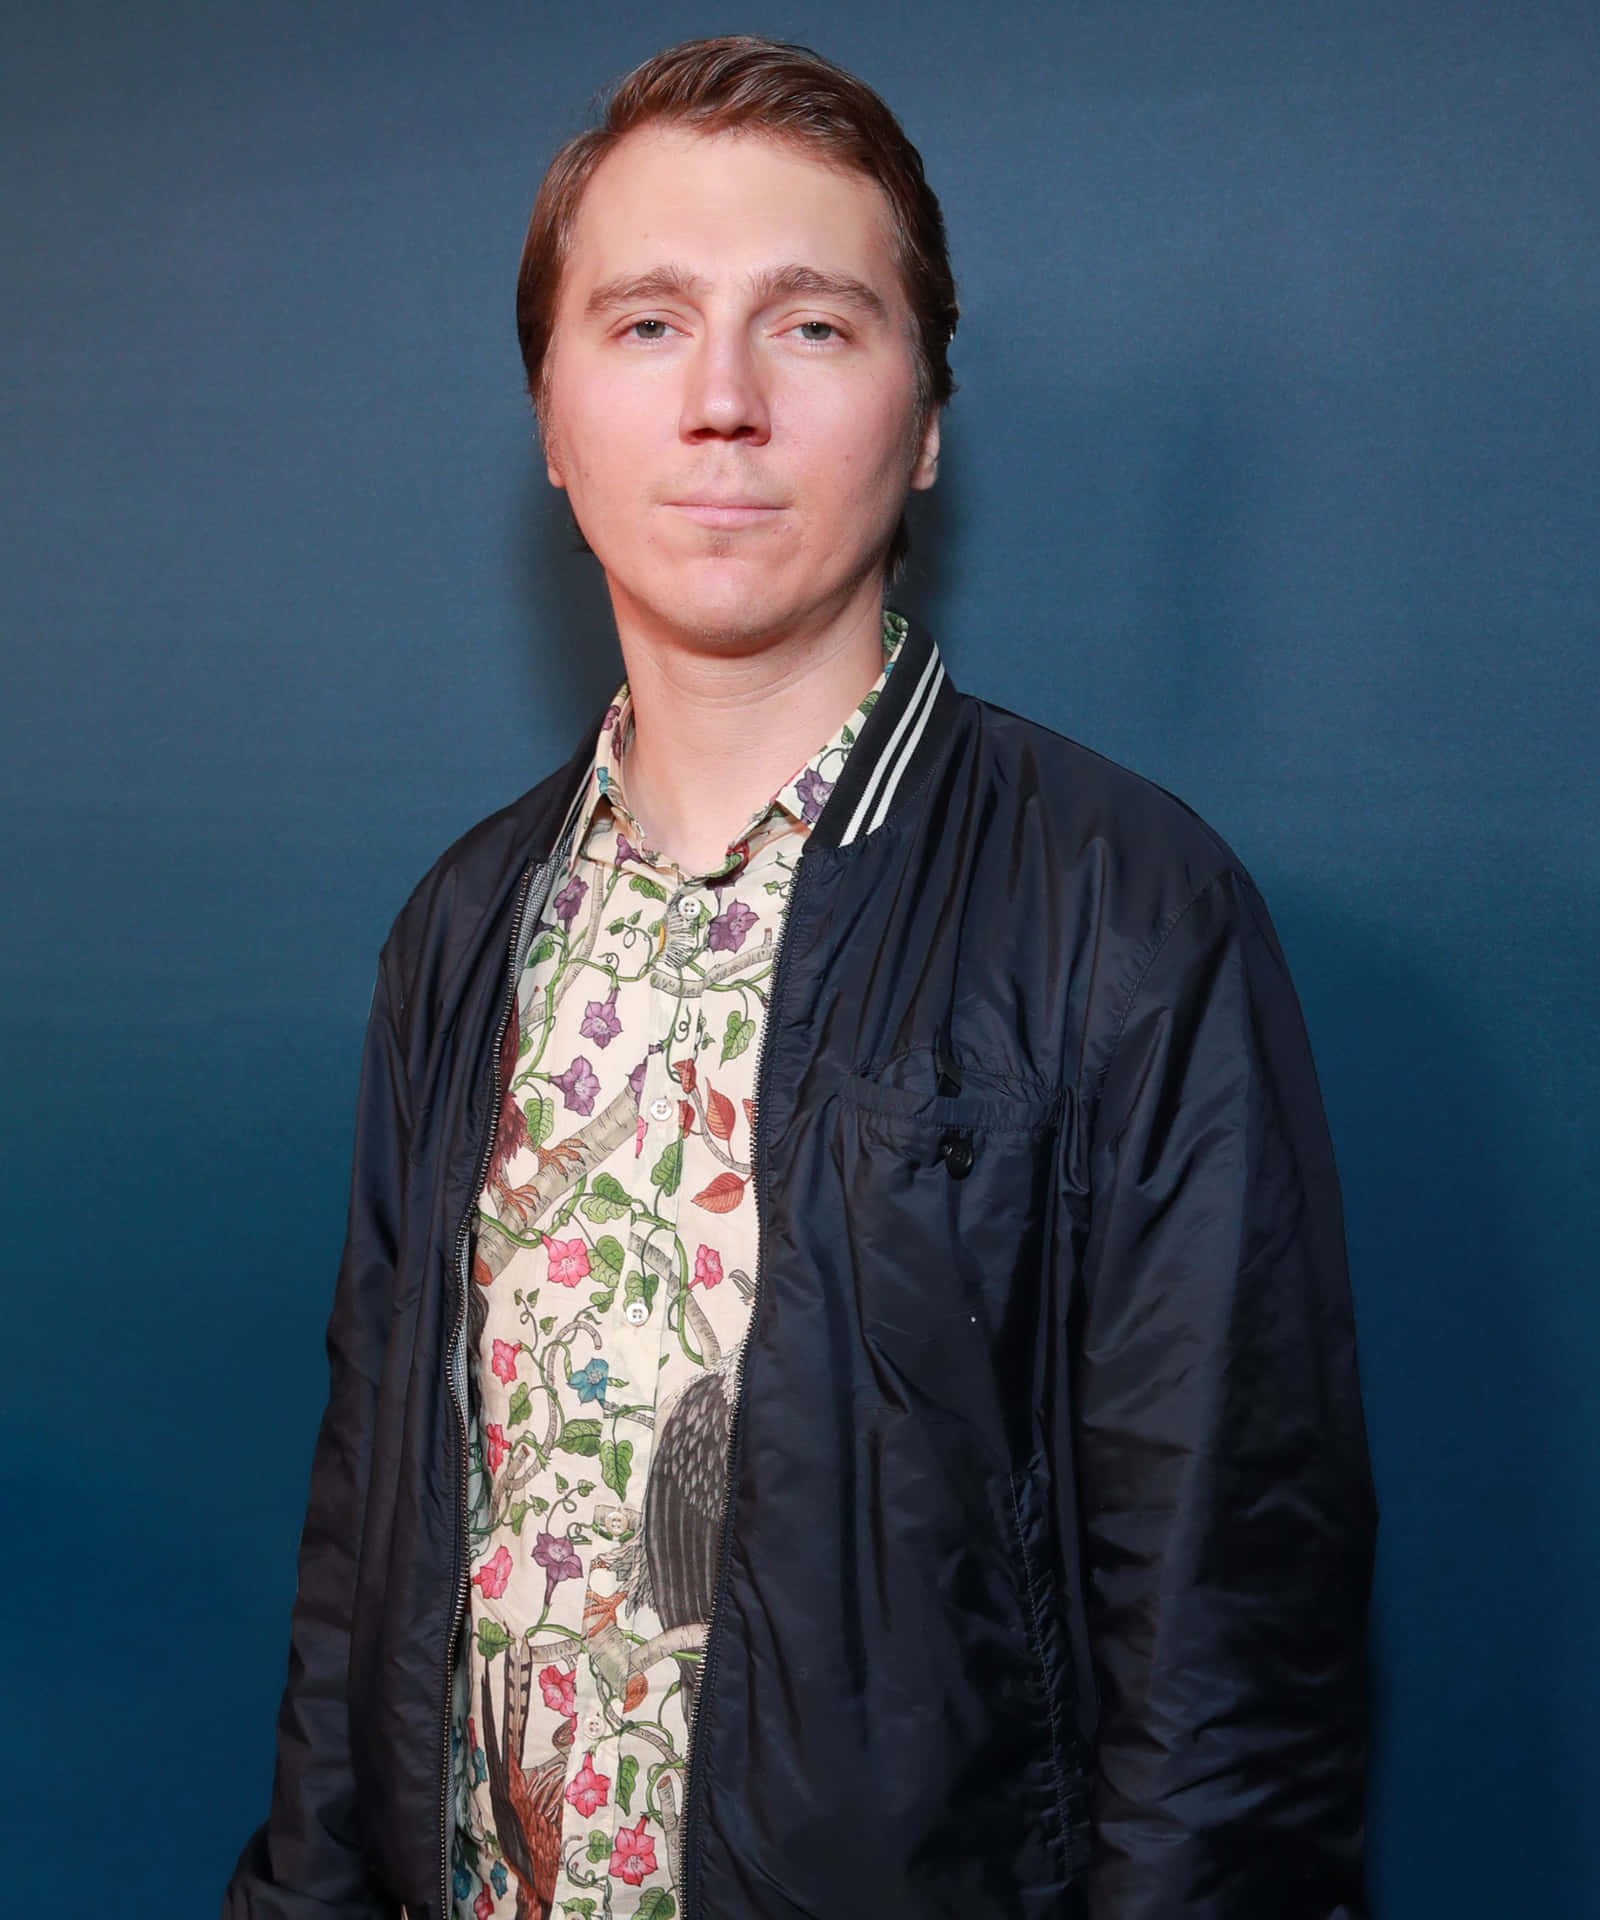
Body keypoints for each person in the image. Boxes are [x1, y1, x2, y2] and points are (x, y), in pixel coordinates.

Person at [224, 35, 1376, 1920]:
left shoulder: (1127, 913)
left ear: (923, 420)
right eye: (650, 321)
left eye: (817, 327)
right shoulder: (463, 926)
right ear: (550, 410)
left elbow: (1231, 1678)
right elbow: (364, 1563)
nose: (727, 402)